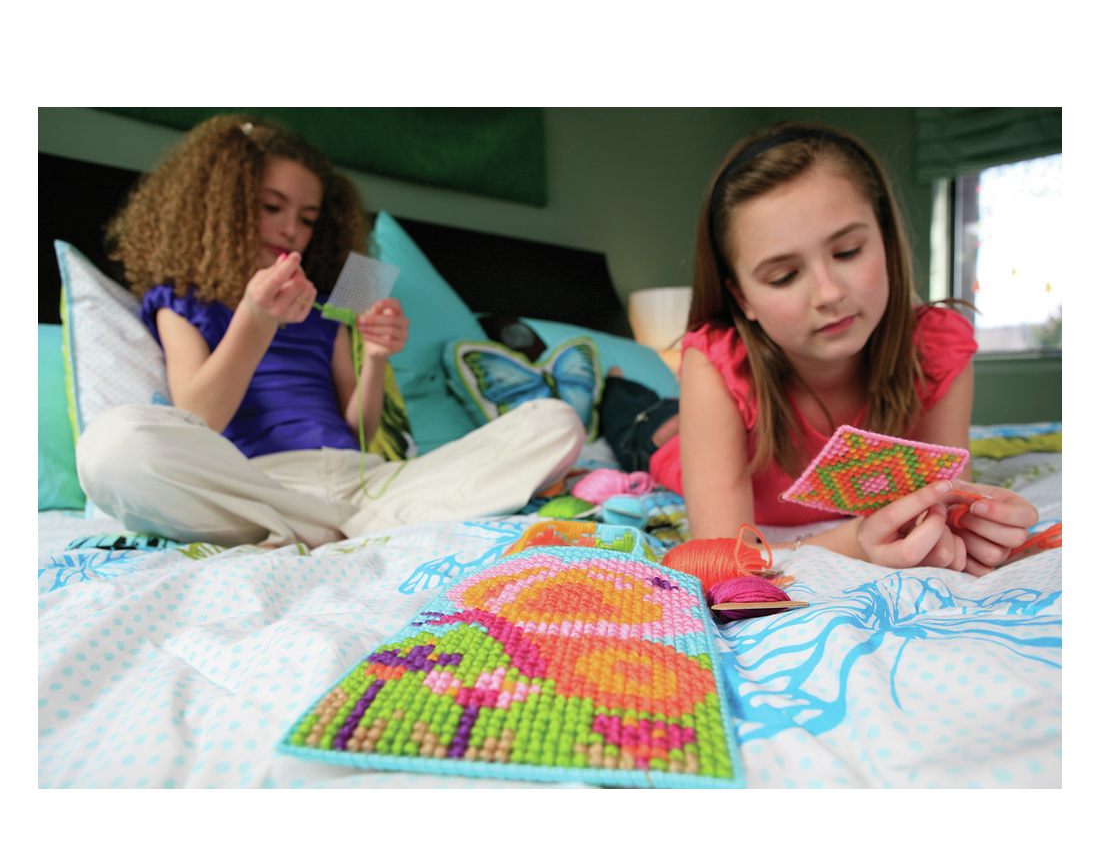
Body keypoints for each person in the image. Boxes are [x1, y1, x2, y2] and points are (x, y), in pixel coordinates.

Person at [76, 115, 585, 548]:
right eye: (271, 207)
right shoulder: (182, 301)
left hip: (367, 483)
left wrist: (376, 356)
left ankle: (326, 531)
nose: (291, 231)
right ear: (223, 206)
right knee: (111, 448)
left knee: (555, 420)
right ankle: (365, 529)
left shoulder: (326, 313)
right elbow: (199, 420)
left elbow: (359, 430)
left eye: (307, 218)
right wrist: (255, 319)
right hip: (261, 485)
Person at [647, 122, 1038, 576]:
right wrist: (857, 541)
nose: (829, 293)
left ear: (886, 240)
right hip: (664, 444)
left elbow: (943, 503)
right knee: (644, 422)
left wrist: (971, 522)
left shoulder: (937, 349)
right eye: (784, 277)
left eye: (848, 251)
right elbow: (721, 557)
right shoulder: (716, 363)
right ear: (742, 299)